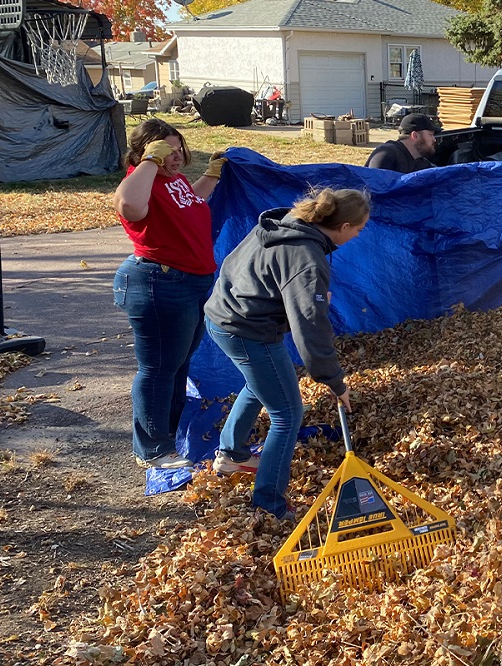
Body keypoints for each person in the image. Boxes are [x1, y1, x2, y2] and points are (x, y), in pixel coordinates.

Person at [203, 187, 370, 519]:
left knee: (261, 382)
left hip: (224, 315)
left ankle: (233, 453)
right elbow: (311, 328)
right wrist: (335, 381)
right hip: (248, 330)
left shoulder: (284, 222)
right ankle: (269, 503)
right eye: (360, 229)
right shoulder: (307, 257)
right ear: (345, 227)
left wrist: (294, 298)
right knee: (288, 413)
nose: (359, 235)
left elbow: (240, 265)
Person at [113, 118, 226, 469]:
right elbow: (129, 206)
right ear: (147, 151)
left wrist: (212, 175)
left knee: (177, 366)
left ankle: (169, 436)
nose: (176, 157)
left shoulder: (172, 180)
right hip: (159, 282)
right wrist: (149, 161)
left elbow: (189, 202)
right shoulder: (140, 180)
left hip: (192, 282)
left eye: (179, 149)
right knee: (159, 368)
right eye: (167, 151)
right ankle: (152, 450)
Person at [364, 113, 440, 173]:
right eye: (431, 134)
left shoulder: (421, 163)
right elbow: (374, 188)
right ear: (415, 136)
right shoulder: (386, 155)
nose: (434, 140)